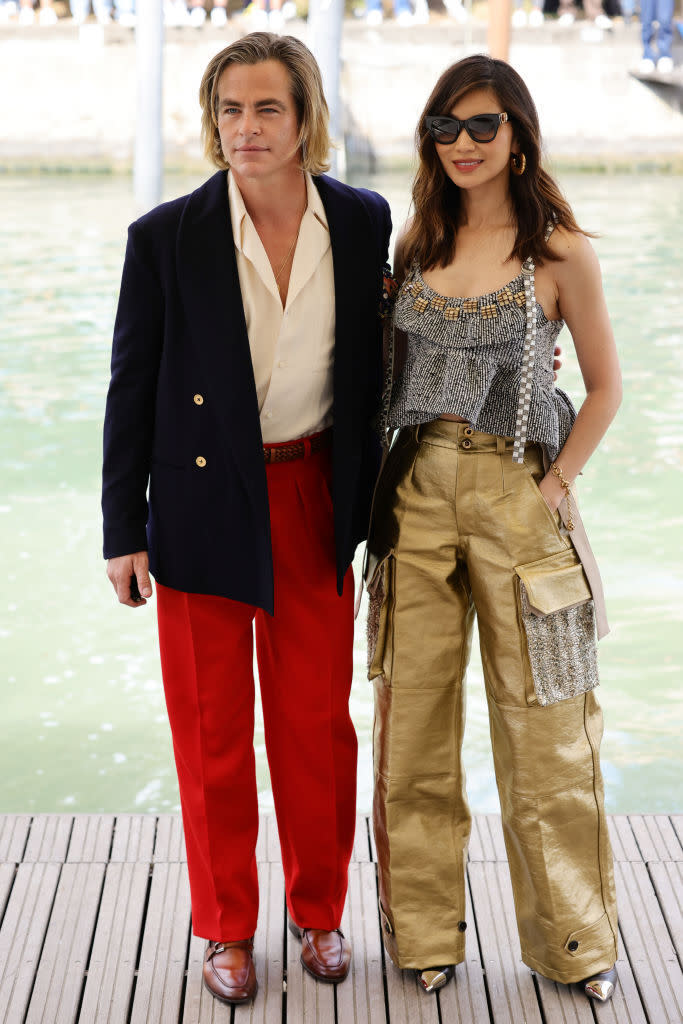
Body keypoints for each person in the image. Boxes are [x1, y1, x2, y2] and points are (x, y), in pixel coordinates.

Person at [102, 32, 391, 1006]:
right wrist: (121, 527)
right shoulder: (166, 237)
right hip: (196, 501)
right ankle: (225, 928)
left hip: (313, 491)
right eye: (230, 108)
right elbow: (129, 388)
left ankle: (317, 913)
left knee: (315, 725)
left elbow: (391, 353)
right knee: (211, 731)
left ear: (304, 117)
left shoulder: (359, 221)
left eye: (266, 108)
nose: (245, 128)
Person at [365, 54, 621, 1003]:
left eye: (483, 125)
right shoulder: (414, 245)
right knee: (414, 737)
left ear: (517, 133)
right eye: (447, 127)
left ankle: (574, 946)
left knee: (549, 740)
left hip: (519, 497)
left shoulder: (559, 253)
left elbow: (604, 388)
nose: (464, 144)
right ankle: (424, 935)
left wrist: (553, 487)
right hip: (416, 498)